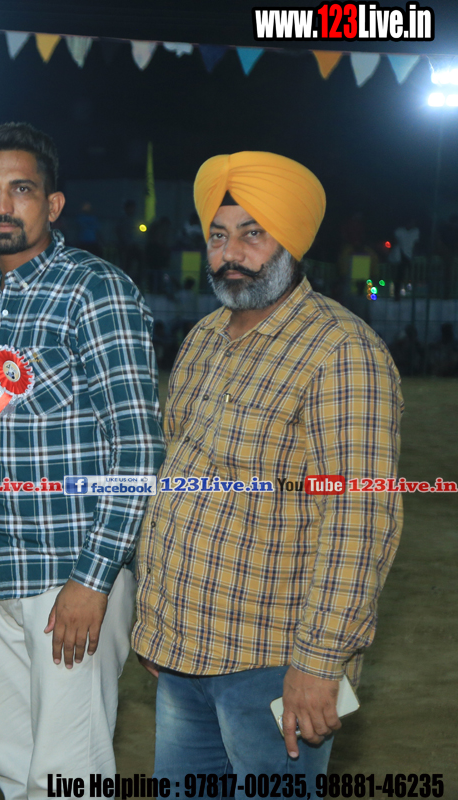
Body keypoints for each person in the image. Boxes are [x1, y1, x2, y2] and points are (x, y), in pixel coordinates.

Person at [133, 151, 403, 784]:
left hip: (274, 663)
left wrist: (320, 661)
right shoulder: (204, 337)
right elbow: (178, 473)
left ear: (292, 241)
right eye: (218, 236)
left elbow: (360, 518)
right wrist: (159, 627)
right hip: (185, 652)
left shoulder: (342, 352)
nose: (231, 253)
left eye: (253, 233)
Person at [0, 122, 164, 799]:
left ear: (53, 204)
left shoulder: (96, 289)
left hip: (68, 577)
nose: (3, 205)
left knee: (69, 776)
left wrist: (95, 580)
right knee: (15, 769)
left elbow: (138, 447)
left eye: (22, 190)